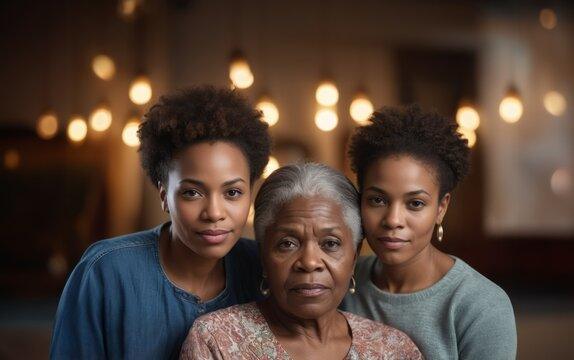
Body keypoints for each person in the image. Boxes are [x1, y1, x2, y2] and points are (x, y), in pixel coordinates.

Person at [50, 86, 272, 359]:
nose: (214, 212)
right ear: (164, 194)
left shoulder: (265, 268)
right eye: (192, 192)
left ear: (250, 193)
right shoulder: (107, 273)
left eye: (232, 193)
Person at [180, 163, 423, 359]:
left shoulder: (393, 350)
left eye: (330, 244)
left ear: (354, 255)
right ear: (264, 255)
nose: (309, 262)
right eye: (287, 243)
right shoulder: (216, 341)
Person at [341, 105, 517, 359]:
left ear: (441, 208)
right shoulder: (342, 282)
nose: (393, 220)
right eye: (377, 200)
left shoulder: (481, 306)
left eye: (415, 203)